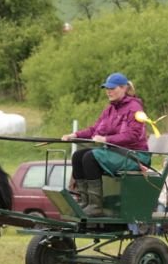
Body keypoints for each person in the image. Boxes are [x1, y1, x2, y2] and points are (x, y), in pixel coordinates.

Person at [62, 72, 149, 217]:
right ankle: (85, 201)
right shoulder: (110, 108)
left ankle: (96, 206)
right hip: (116, 153)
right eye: (106, 88)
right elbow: (94, 130)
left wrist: (106, 140)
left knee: (90, 157)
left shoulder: (135, 108)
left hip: (135, 156)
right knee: (78, 156)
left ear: (123, 88)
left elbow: (132, 135)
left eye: (112, 88)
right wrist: (75, 135)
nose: (108, 91)